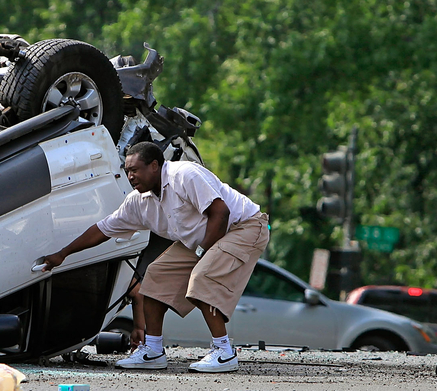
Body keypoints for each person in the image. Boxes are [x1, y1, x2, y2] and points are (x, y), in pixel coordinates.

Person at [41, 142, 269, 372]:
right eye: (127, 171)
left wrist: (202, 254)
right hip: (202, 238)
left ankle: (224, 352)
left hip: (244, 227)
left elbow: (220, 212)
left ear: (154, 165)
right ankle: (153, 350)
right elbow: (102, 229)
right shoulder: (138, 201)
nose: (130, 176)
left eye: (135, 170)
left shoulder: (185, 175)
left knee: (203, 277)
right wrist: (62, 254)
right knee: (154, 277)